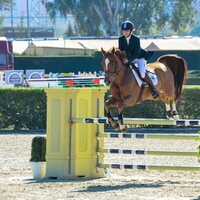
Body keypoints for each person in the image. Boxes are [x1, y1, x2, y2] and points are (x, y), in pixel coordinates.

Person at [118, 20, 160, 99]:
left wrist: (128, 60)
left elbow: (136, 53)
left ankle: (153, 89)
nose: (125, 32)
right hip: (128, 59)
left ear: (131, 31)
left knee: (142, 73)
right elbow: (121, 51)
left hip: (139, 58)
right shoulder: (120, 39)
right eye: (123, 30)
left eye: (127, 30)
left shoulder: (136, 39)